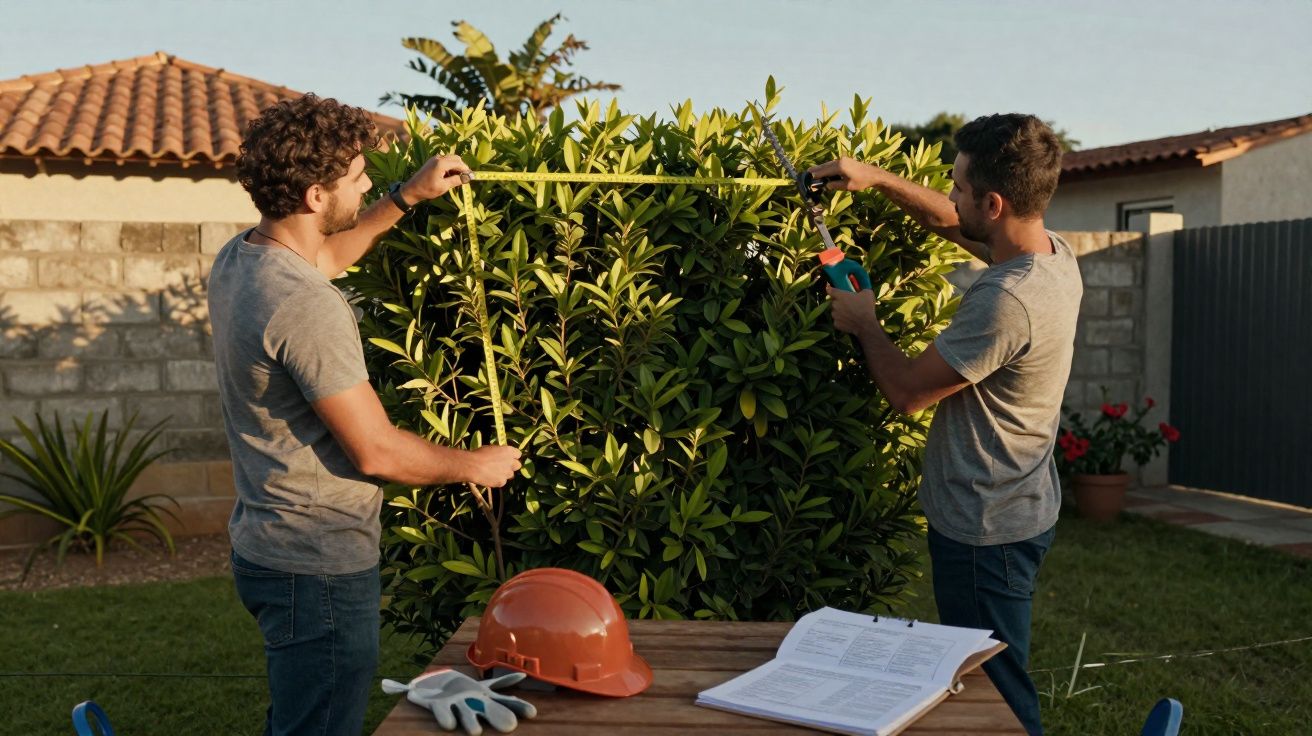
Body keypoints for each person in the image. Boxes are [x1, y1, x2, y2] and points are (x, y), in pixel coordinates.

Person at [208, 94, 522, 736]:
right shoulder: (305, 306)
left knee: (299, 719)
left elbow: (328, 257)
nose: (367, 181)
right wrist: (475, 465)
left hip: (269, 547)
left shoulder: (244, 258)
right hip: (315, 564)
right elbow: (375, 451)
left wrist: (406, 197)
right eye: (356, 176)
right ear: (316, 197)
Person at [808, 114, 1080, 735]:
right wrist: (873, 178)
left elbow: (907, 395)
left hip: (986, 531)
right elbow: (948, 220)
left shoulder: (1007, 299)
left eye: (959, 187)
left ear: (994, 202)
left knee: (1000, 694)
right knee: (986, 676)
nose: (950, 198)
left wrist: (863, 321)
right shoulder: (1051, 256)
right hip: (1019, 508)